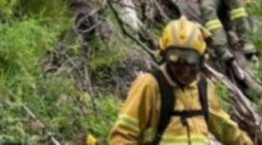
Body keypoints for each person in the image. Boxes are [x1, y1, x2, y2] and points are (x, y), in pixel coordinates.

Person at [108, 17, 253, 144]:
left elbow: (224, 128)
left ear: (202, 60)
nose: (183, 68)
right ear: (164, 56)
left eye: (191, 60)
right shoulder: (150, 85)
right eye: (175, 59)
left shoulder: (204, 87)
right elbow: (122, 136)